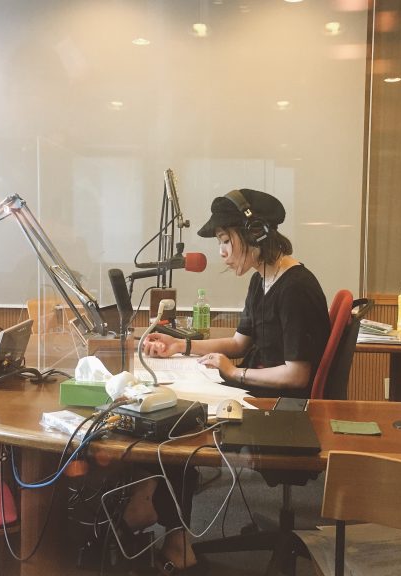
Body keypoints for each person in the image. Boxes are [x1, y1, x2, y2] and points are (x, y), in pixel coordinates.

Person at [122, 189, 331, 573]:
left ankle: (169, 528)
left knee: (179, 424)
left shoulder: (296, 288)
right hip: (260, 392)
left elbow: (297, 373)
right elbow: (239, 343)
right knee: (167, 406)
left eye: (224, 240)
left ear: (254, 234)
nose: (220, 252)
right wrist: (180, 346)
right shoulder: (262, 280)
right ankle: (152, 502)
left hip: (281, 408)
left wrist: (233, 373)